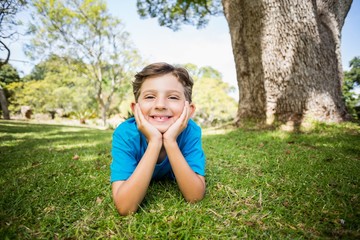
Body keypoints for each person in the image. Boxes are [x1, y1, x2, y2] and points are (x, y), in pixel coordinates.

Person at [110, 62, 206, 216]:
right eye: (149, 96)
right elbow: (125, 207)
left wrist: (170, 141)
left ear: (189, 110)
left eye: (173, 97)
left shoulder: (191, 132)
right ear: (136, 109)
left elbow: (195, 196)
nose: (160, 105)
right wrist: (155, 142)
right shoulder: (124, 134)